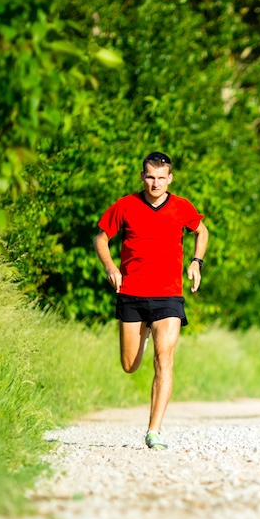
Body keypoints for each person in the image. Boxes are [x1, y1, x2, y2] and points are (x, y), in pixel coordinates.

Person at [94, 151, 209, 450]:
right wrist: (110, 267)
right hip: (132, 291)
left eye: (161, 178)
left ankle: (154, 430)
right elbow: (101, 238)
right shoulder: (126, 205)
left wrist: (196, 262)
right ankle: (141, 334)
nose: (155, 183)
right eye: (150, 177)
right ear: (142, 177)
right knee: (130, 365)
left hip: (169, 294)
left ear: (170, 178)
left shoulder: (181, 206)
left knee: (164, 358)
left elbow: (202, 231)